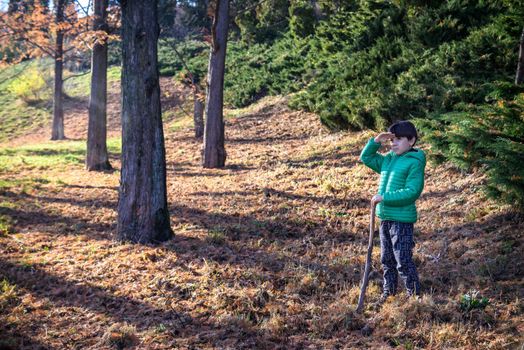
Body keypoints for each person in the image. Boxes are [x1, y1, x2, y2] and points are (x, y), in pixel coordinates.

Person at [359, 120, 426, 303]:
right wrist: (376, 141)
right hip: (386, 217)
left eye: (398, 139)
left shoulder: (415, 162)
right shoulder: (388, 159)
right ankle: (389, 293)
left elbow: (412, 191)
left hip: (401, 220)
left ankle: (415, 296)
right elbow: (366, 158)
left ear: (411, 141)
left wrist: (385, 197)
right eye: (392, 140)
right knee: (386, 259)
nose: (393, 143)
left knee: (402, 259)